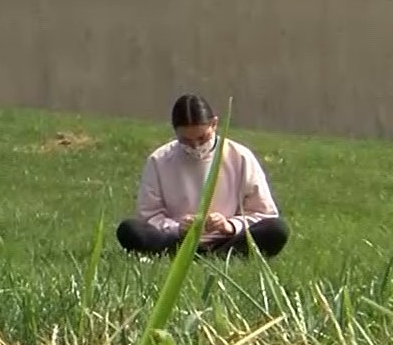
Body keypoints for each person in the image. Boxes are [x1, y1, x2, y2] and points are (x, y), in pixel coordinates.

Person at [116, 94, 289, 259]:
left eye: (202, 138)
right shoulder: (159, 160)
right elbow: (149, 215)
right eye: (186, 140)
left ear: (214, 124)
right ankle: (194, 254)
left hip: (228, 239)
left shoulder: (240, 156)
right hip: (177, 240)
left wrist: (229, 225)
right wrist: (177, 228)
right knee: (129, 229)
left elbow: (263, 213)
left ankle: (214, 255)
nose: (196, 146)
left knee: (277, 229)